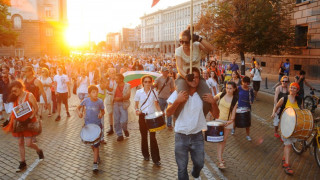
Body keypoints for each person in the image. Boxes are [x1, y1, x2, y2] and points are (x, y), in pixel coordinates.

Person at [166, 67, 219, 180]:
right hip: (181, 136)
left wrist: (213, 103)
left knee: (200, 163)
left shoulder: (203, 96)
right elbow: (168, 113)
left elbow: (216, 115)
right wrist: (177, 101)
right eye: (191, 77)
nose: (194, 80)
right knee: (181, 168)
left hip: (197, 136)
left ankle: (195, 173)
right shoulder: (178, 93)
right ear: (186, 79)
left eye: (196, 77)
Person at [3, 80, 44, 172]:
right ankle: (22, 162)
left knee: (29, 143)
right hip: (18, 123)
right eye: (12, 91)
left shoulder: (29, 95)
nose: (13, 93)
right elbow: (14, 110)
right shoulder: (15, 97)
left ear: (21, 88)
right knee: (20, 143)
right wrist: (7, 119)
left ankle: (39, 150)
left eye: (15, 90)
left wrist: (30, 118)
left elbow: (36, 108)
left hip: (28, 122)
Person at [175, 26, 214, 118]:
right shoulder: (179, 50)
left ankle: (200, 117)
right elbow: (179, 68)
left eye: (186, 42)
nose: (183, 44)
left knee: (207, 97)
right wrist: (186, 76)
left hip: (197, 77)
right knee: (182, 96)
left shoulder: (196, 45)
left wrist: (200, 39)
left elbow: (211, 49)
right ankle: (178, 117)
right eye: (181, 41)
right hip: (184, 77)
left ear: (192, 41)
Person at [271, 82, 301, 175]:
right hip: (285, 125)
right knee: (288, 144)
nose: (292, 89)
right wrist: (273, 113)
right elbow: (276, 107)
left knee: (290, 143)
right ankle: (287, 165)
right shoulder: (284, 98)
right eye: (291, 87)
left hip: (294, 126)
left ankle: (285, 157)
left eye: (294, 88)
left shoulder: (299, 100)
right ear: (289, 89)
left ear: (297, 90)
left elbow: (302, 111)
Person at [134, 75, 162, 166]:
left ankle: (156, 159)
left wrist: (161, 112)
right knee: (144, 136)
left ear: (151, 82)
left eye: (149, 82)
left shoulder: (154, 92)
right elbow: (136, 105)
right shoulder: (138, 92)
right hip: (142, 117)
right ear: (142, 83)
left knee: (153, 137)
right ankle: (145, 154)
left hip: (152, 117)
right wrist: (136, 110)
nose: (147, 83)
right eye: (145, 82)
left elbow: (156, 104)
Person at [76, 85, 105, 172]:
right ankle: (97, 156)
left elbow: (103, 111)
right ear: (89, 94)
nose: (96, 94)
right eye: (93, 92)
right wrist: (79, 113)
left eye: (96, 92)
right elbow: (78, 108)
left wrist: (101, 114)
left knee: (96, 145)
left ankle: (95, 164)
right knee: (92, 145)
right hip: (88, 126)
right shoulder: (86, 100)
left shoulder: (100, 102)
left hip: (97, 126)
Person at [213, 81, 238, 169]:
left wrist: (231, 121)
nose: (228, 90)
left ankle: (220, 157)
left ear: (234, 89)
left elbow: (233, 114)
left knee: (223, 141)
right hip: (219, 121)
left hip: (228, 122)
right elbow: (212, 101)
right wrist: (212, 112)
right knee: (220, 141)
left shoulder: (235, 100)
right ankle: (220, 161)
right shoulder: (221, 94)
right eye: (227, 88)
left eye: (230, 88)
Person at [112, 74, 131, 141]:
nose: (115, 80)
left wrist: (119, 98)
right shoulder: (115, 85)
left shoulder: (127, 85)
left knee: (124, 120)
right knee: (116, 120)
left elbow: (128, 96)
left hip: (123, 104)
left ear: (121, 79)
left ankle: (125, 129)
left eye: (117, 79)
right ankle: (119, 134)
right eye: (115, 78)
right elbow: (112, 93)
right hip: (115, 104)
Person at [105, 68, 116, 135]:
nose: (112, 74)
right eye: (111, 73)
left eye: (113, 73)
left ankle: (117, 127)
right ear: (109, 74)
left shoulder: (117, 80)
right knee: (110, 113)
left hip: (116, 97)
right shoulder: (107, 80)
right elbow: (106, 87)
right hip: (109, 96)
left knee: (116, 113)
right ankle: (111, 128)